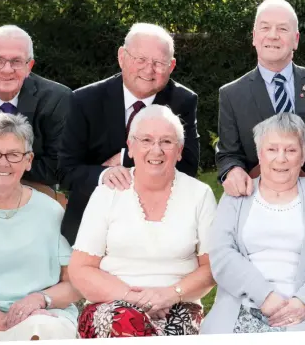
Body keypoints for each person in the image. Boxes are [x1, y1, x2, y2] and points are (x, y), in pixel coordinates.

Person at [69, 105, 216, 337]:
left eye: (167, 142)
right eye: (146, 140)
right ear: (131, 147)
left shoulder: (200, 194)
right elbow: (80, 269)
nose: (156, 150)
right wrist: (134, 298)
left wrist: (170, 294)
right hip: (113, 304)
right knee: (126, 323)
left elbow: (211, 268)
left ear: (179, 151)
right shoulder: (107, 193)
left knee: (178, 331)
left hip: (179, 303)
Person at [58, 23, 200, 245]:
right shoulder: (85, 101)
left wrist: (127, 157)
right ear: (122, 57)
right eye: (140, 59)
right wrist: (104, 175)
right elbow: (65, 170)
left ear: (171, 66)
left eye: (159, 63)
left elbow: (187, 166)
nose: (148, 69)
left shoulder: (183, 101)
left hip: (156, 225)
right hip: (92, 225)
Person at [203, 114, 305, 334]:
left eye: (291, 150)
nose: (281, 158)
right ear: (259, 154)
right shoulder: (236, 195)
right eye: (272, 149)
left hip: (300, 312)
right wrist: (264, 295)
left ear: (303, 156)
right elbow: (221, 253)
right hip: (242, 306)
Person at [0, 112, 80, 341]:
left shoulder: (52, 211)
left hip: (45, 314)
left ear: (28, 161)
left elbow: (74, 284)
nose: (2, 162)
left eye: (14, 155)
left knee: (42, 330)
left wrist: (40, 300)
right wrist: (4, 322)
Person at [216, 0, 305, 202]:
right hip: (259, 201)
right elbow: (228, 153)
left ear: (296, 39)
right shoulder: (232, 94)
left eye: (282, 29)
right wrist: (233, 170)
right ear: (254, 37)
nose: (273, 36)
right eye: (265, 28)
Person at [0, 25, 71, 209]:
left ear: (29, 66)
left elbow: (60, 166)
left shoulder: (58, 100)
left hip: (34, 191)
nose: (6, 70)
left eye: (16, 61)